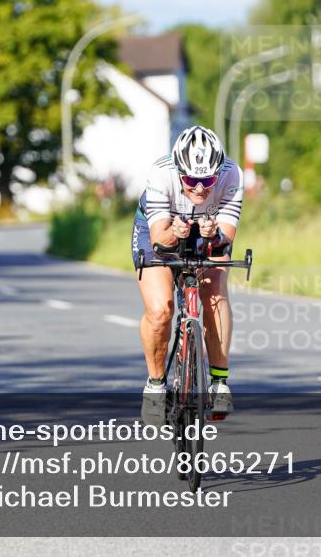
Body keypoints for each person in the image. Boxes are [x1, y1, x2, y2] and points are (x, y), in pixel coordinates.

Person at [131, 126, 244, 426]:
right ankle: (156, 386)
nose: (200, 188)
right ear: (179, 170)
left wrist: (213, 234)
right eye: (191, 180)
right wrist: (174, 232)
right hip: (159, 229)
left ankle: (219, 382)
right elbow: (159, 239)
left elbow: (225, 240)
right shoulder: (160, 173)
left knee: (215, 290)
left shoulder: (232, 174)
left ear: (219, 172)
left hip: (207, 228)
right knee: (161, 310)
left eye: (208, 180)